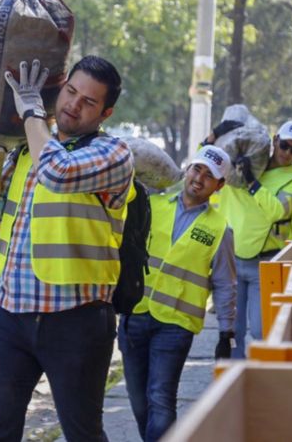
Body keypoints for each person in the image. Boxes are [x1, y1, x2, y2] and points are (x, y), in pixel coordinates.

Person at [0, 56, 134, 442]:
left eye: (88, 102)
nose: (73, 105)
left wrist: (30, 113)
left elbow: (58, 173)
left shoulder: (113, 154)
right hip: (7, 313)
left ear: (105, 112)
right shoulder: (27, 150)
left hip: (75, 320)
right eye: (70, 91)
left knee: (82, 433)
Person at [118, 145, 237, 442]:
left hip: (176, 325)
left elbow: (225, 284)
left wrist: (226, 332)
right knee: (138, 399)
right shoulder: (153, 205)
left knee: (160, 397)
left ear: (219, 186)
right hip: (137, 314)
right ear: (187, 169)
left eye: (210, 176)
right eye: (197, 169)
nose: (200, 178)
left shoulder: (220, 229)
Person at [206, 115, 292, 358]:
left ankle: (261, 377)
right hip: (231, 258)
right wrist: (215, 134)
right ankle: (233, 377)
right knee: (232, 329)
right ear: (275, 140)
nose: (287, 152)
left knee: (262, 330)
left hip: (264, 263)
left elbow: (276, 210)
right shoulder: (244, 159)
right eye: (284, 145)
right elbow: (205, 164)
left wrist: (252, 181)